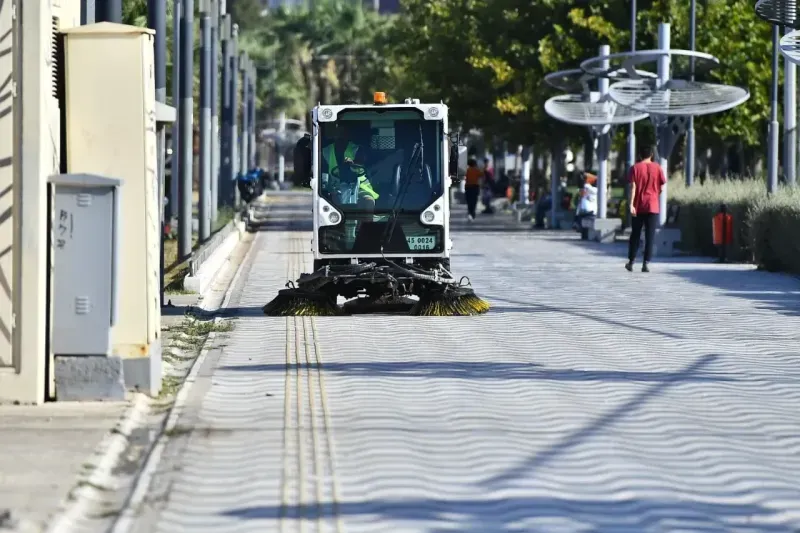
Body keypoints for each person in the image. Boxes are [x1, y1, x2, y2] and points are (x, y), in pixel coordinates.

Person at [626, 145, 666, 273]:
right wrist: (654, 195)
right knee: (650, 236)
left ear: (640, 155)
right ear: (652, 155)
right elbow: (661, 187)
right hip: (652, 206)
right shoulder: (658, 168)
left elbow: (633, 188)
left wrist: (631, 204)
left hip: (638, 206)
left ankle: (631, 261)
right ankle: (646, 263)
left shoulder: (635, 168)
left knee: (635, 235)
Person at [321, 122, 379, 209]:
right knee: (331, 205)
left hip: (360, 188)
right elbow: (322, 173)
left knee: (368, 202)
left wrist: (353, 164)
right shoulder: (325, 151)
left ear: (348, 135)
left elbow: (361, 164)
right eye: (338, 133)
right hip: (334, 188)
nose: (340, 136)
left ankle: (367, 223)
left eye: (343, 133)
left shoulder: (357, 149)